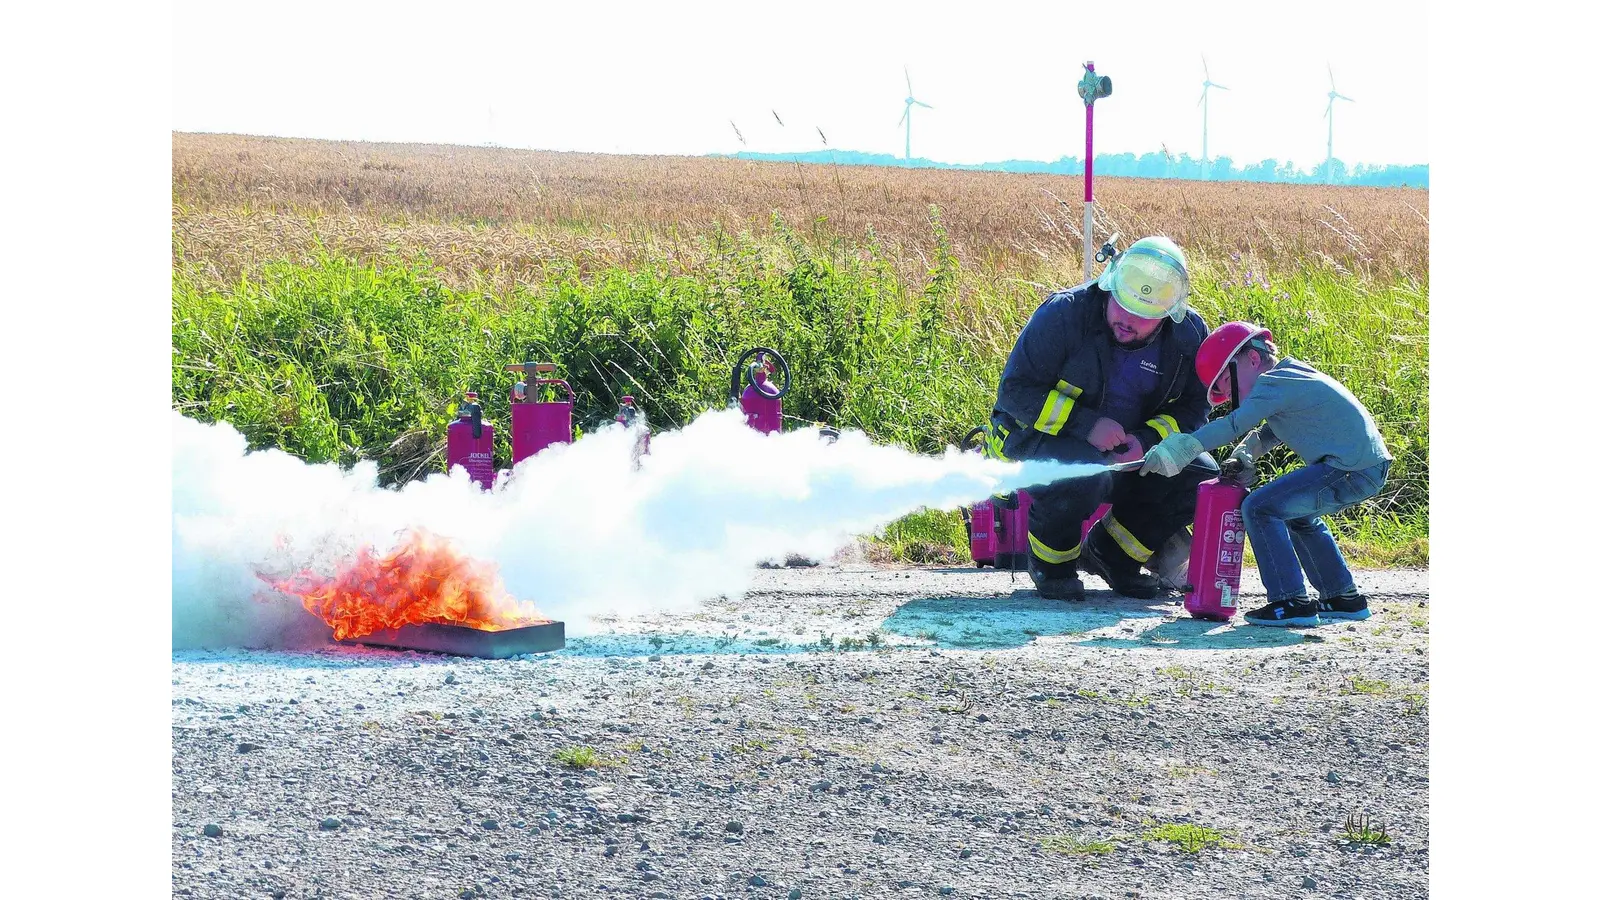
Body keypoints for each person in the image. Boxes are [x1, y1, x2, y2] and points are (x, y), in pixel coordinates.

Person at [986, 236, 1216, 601]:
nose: (1127, 320)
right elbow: (1016, 393)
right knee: (1084, 472)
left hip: (1129, 450)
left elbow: (1194, 407)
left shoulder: (1188, 335)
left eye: (1144, 316)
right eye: (1121, 306)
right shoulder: (1065, 314)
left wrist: (1144, 440)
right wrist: (1087, 426)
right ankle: (1052, 566)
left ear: (1168, 314)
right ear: (1109, 286)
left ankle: (1112, 555)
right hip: (1041, 440)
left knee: (1200, 475)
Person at [1139, 322, 1392, 627]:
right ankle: (1343, 598)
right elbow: (1271, 431)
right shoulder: (1291, 377)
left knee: (1259, 508)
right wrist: (1246, 453)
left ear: (1252, 360)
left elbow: (1235, 424)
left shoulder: (1274, 382)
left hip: (1349, 468)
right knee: (1298, 516)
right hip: (1362, 467)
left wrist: (1184, 447)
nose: (1234, 398)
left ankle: (1290, 601)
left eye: (1228, 386)